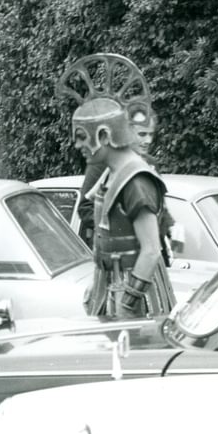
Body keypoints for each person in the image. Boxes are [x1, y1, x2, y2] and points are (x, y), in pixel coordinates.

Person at [58, 53, 174, 319]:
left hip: (137, 301)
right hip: (111, 287)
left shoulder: (136, 180)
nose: (77, 146)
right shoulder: (112, 175)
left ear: (104, 136)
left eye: (81, 137)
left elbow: (151, 250)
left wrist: (128, 302)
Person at [76, 102, 175, 260]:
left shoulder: (150, 164)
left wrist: (169, 229)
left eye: (151, 134)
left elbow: (158, 207)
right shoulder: (103, 163)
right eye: (142, 134)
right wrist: (121, 229)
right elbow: (85, 207)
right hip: (119, 258)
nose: (148, 140)